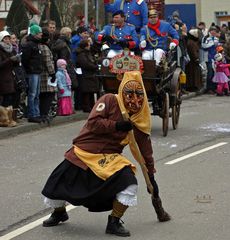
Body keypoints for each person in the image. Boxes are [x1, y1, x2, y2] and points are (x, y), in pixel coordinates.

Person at [41, 71, 170, 237]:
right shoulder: (109, 100)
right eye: (129, 94)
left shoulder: (140, 118)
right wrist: (117, 126)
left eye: (138, 95)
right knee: (56, 185)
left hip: (110, 157)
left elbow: (145, 149)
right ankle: (59, 212)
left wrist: (151, 175)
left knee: (129, 182)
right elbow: (93, 123)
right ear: (122, 91)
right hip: (83, 151)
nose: (134, 99)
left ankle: (114, 221)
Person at [21, 24, 43, 123]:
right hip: (32, 72)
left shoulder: (36, 44)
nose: (41, 34)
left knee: (37, 94)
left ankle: (37, 113)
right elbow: (25, 59)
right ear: (34, 34)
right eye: (39, 33)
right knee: (32, 94)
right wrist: (30, 68)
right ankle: (32, 114)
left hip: (37, 71)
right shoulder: (29, 44)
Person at [0, 30, 21, 109]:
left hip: (10, 77)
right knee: (4, 99)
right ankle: (3, 118)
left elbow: (14, 65)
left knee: (10, 98)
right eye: (5, 39)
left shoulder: (12, 49)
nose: (8, 40)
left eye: (8, 38)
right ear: (1, 40)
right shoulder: (0, 50)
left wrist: (17, 60)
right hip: (2, 77)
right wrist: (10, 59)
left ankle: (8, 117)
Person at [39, 28, 56, 118]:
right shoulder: (44, 47)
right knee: (48, 94)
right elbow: (48, 62)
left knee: (43, 95)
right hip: (46, 75)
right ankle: (44, 113)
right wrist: (52, 73)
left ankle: (43, 113)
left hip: (42, 74)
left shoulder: (39, 46)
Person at [201, 26, 219, 94]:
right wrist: (211, 44)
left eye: (215, 31)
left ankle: (214, 87)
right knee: (210, 73)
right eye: (212, 31)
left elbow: (217, 48)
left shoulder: (216, 38)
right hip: (208, 58)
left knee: (215, 73)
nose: (214, 32)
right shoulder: (205, 37)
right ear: (210, 31)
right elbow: (203, 46)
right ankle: (209, 88)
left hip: (215, 58)